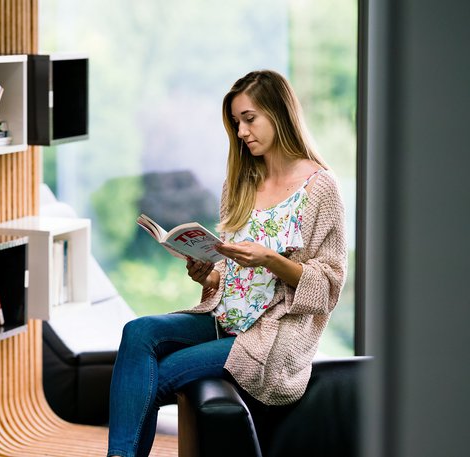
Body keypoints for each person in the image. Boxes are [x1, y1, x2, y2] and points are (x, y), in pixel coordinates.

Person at [106, 70, 347, 457]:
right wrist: (209, 274)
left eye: (249, 119)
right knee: (138, 332)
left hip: (269, 337)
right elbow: (229, 273)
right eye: (236, 123)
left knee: (158, 377)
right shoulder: (241, 180)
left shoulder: (320, 188)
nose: (241, 132)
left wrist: (270, 259)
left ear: (279, 113)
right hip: (222, 318)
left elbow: (329, 287)